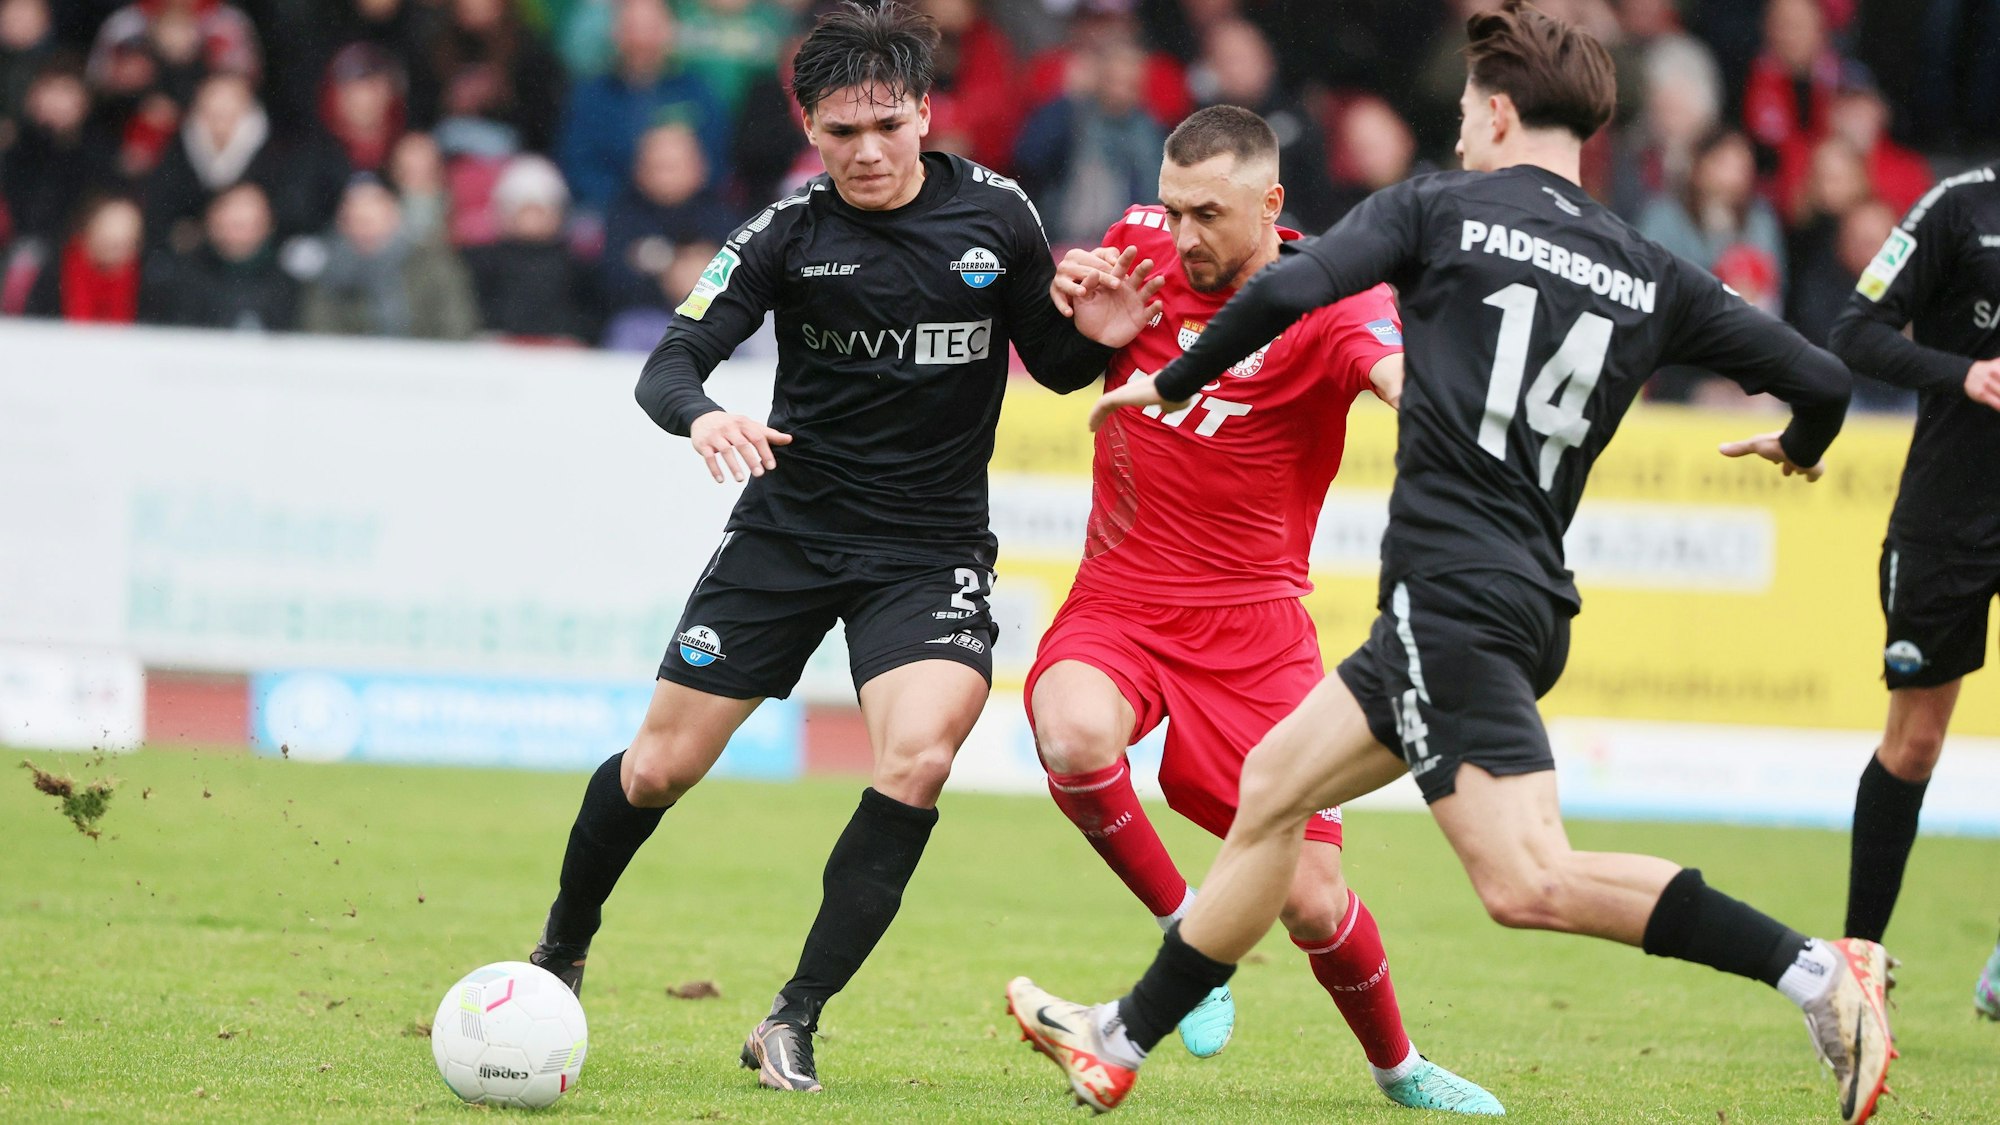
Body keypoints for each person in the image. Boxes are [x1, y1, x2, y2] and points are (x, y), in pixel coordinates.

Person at [1004, 5, 1895, 1124]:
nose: (1460, 126)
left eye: (1469, 108)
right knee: (1271, 797)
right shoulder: (1647, 268)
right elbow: (1818, 375)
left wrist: (1173, 380)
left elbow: (1285, 290)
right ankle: (1118, 1039)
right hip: (1516, 593)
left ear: (1500, 111)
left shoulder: (1440, 209)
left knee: (1526, 882)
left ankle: (1817, 973)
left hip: (1451, 601)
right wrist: (1799, 452)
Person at [525, 2, 1113, 1096]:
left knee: (918, 759)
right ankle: (560, 946)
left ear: (925, 115)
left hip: (927, 552)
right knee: (656, 769)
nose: (869, 151)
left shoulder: (998, 215)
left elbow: (1060, 362)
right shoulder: (785, 233)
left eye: (887, 125)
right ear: (809, 131)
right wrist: (702, 413)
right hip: (786, 538)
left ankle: (792, 1017)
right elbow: (669, 361)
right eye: (842, 134)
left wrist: (1103, 336)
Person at [1027, 103, 1501, 1114]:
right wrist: (1073, 310)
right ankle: (1180, 924)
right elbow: (1061, 359)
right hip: (1120, 600)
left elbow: (1393, 374)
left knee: (1311, 901)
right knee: (1070, 732)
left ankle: (1397, 1069)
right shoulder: (1140, 246)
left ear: (1269, 204)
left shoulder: (1329, 297)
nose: (1185, 233)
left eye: (1209, 213)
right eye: (1173, 208)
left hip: (1255, 635)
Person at [1826, 161, 2000, 1021]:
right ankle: (1856, 964)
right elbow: (1855, 332)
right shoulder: (1960, 207)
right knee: (1917, 742)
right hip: (1949, 522)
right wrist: (1960, 372)